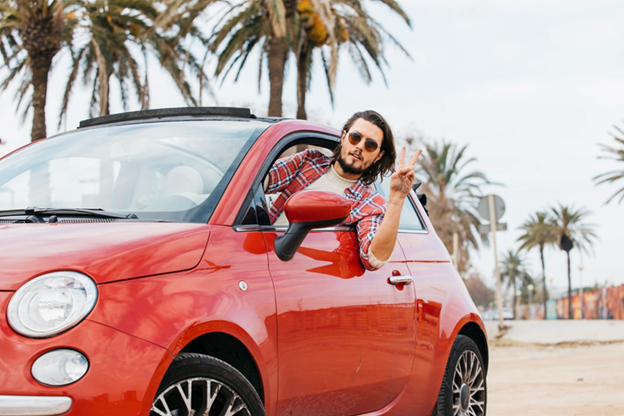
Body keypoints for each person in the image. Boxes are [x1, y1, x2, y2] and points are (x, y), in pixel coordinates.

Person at [265, 110, 422, 270]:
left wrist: (397, 198)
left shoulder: (369, 204)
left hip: (301, 272)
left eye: (370, 145)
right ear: (343, 137)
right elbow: (262, 178)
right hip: (260, 255)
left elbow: (374, 260)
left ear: (378, 156)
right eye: (355, 137)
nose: (359, 146)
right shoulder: (307, 162)